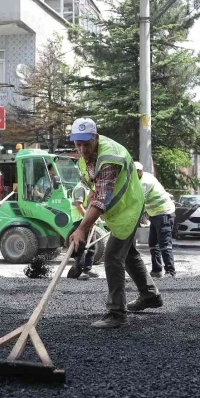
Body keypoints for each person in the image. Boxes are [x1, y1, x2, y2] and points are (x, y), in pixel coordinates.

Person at [67, 118, 162, 329]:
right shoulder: (90, 154)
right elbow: (94, 187)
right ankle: (150, 296)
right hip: (119, 209)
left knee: (112, 257)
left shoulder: (109, 157)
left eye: (86, 144)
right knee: (128, 254)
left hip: (129, 208)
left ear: (96, 138)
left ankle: (117, 313)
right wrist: (87, 221)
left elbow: (101, 200)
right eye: (78, 144)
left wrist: (82, 228)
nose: (82, 149)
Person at [135, 161, 176, 278]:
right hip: (155, 215)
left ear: (140, 171)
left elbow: (139, 202)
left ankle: (170, 271)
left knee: (164, 244)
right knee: (153, 243)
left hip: (164, 214)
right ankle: (157, 270)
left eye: (134, 172)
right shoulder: (139, 179)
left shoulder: (145, 182)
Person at [71, 179, 98, 280]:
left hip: (84, 220)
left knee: (91, 246)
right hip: (81, 220)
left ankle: (87, 269)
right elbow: (79, 205)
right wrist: (89, 219)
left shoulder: (87, 188)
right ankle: (81, 270)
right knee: (82, 247)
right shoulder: (81, 188)